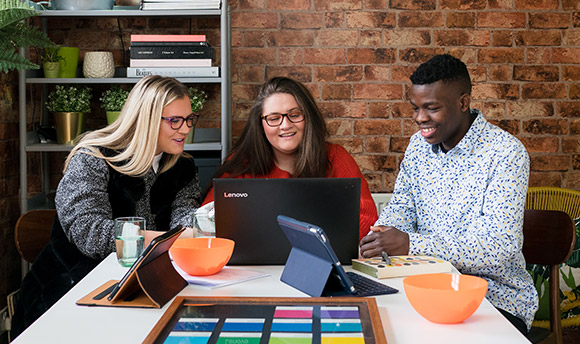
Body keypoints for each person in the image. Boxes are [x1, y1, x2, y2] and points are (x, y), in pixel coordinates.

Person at [359, 54, 538, 334]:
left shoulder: (505, 154)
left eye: (431, 108)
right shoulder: (418, 147)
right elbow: (398, 217)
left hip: (494, 298)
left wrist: (409, 244)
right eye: (416, 108)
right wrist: (382, 237)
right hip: (423, 289)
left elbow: (498, 249)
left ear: (463, 102)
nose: (420, 119)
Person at [12, 75, 202, 337]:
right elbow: (90, 233)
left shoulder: (182, 166)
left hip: (141, 291)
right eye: (175, 121)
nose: (185, 129)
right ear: (145, 120)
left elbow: (186, 215)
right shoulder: (93, 157)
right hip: (68, 294)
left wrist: (195, 225)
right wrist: (169, 240)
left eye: (189, 119)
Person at [202, 76, 377, 240]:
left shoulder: (335, 157)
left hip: (322, 261)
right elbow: (208, 220)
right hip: (254, 268)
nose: (285, 125)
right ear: (261, 124)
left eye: (294, 115)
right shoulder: (241, 164)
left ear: (307, 117)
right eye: (274, 118)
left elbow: (366, 217)